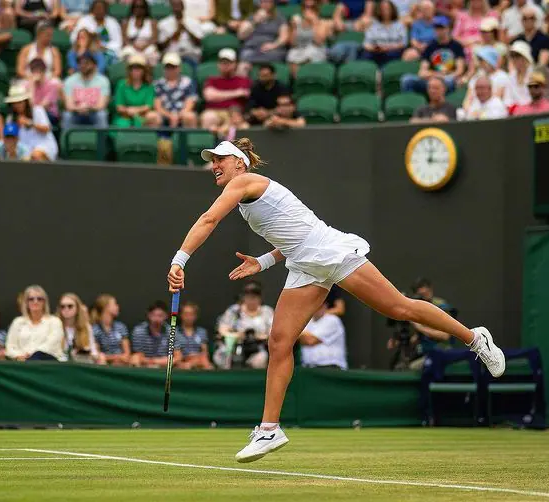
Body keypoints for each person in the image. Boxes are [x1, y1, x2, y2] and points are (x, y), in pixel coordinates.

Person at [166, 137, 505, 463]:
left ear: (238, 162)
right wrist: (264, 261)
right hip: (304, 263)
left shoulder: (244, 183)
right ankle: (269, 429)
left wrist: (180, 259)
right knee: (280, 342)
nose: (213, 165)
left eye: (219, 159)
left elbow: (208, 219)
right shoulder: (245, 196)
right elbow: (292, 234)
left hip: (328, 251)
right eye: (211, 161)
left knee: (399, 307)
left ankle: (474, 338)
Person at [400, 15, 466, 94]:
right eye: (436, 28)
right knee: (407, 80)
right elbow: (422, 72)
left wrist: (445, 77)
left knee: (450, 81)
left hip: (448, 80)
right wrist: (437, 75)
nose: (439, 31)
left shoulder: (456, 46)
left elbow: (459, 70)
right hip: (431, 80)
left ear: (448, 28)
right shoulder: (430, 47)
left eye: (441, 28)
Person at [216, 281, 274, 369]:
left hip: (258, 347)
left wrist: (260, 336)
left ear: (260, 298)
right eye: (249, 297)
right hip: (237, 345)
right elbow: (222, 329)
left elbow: (273, 333)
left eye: (254, 297)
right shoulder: (235, 310)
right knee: (222, 355)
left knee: (261, 359)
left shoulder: (267, 311)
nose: (251, 300)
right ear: (244, 297)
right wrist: (237, 335)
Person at [5, 285, 65, 361]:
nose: (35, 301)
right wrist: (19, 355)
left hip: (47, 363)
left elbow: (51, 345)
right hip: (22, 363)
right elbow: (10, 346)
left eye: (39, 299)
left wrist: (31, 355)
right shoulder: (17, 322)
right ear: (26, 302)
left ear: (44, 302)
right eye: (31, 299)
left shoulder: (55, 321)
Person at [199, 48, 251, 131]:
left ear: (235, 64)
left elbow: (245, 93)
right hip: (214, 112)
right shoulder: (212, 79)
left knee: (244, 126)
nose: (225, 65)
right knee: (208, 117)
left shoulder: (243, 80)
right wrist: (236, 93)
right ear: (218, 64)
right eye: (222, 62)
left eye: (229, 62)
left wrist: (218, 95)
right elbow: (209, 96)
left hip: (235, 114)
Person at [4, 84, 58, 160]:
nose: (17, 105)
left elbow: (46, 129)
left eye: (20, 102)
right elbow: (10, 139)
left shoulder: (38, 110)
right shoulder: (10, 119)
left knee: (35, 156)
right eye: (14, 103)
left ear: (25, 102)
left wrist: (29, 123)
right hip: (23, 149)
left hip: (44, 145)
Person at [237, 0, 289, 75]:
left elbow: (284, 37)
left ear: (273, 3)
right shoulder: (252, 17)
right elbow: (241, 35)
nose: (266, 4)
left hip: (271, 50)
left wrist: (273, 45)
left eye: (268, 2)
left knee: (277, 55)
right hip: (252, 49)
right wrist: (255, 22)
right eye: (263, 1)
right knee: (243, 63)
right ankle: (242, 86)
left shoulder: (279, 18)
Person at [62, 50, 110, 129]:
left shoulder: (103, 81)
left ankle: (102, 141)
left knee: (101, 115)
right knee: (67, 115)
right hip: (76, 113)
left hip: (94, 113)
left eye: (87, 63)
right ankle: (65, 140)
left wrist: (89, 107)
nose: (83, 65)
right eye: (80, 63)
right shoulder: (70, 80)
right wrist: (78, 108)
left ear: (94, 65)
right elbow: (69, 105)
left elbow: (101, 105)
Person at [130, 300, 182, 368]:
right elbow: (139, 356)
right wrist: (153, 362)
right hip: (145, 365)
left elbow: (178, 357)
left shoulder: (172, 331)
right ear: (148, 315)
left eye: (160, 316)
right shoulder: (139, 331)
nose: (156, 319)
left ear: (166, 316)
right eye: (153, 315)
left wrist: (156, 361)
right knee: (135, 358)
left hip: (166, 365)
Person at [152, 52, 198, 128]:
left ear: (179, 68)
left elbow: (190, 103)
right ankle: (157, 139)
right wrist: (170, 116)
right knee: (152, 116)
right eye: (168, 67)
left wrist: (178, 115)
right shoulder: (158, 83)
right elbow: (157, 106)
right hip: (164, 114)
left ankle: (190, 140)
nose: (170, 70)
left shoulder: (188, 82)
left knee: (190, 116)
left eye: (173, 67)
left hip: (182, 113)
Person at [113, 53, 158, 128]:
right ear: (129, 70)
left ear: (144, 70)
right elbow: (119, 107)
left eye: (138, 68)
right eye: (132, 68)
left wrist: (135, 110)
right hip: (124, 117)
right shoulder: (121, 84)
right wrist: (128, 111)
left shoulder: (149, 86)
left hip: (143, 116)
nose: (135, 71)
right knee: (123, 124)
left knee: (152, 117)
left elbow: (148, 106)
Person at [298, 300, 347, 369]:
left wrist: (298, 333)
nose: (317, 308)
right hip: (309, 367)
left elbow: (310, 341)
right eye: (314, 305)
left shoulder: (332, 320)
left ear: (325, 306)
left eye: (320, 305)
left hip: (331, 368)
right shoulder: (307, 320)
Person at [57, 292, 104, 364]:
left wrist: (85, 353)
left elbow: (94, 352)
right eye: (62, 306)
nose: (66, 309)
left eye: (70, 306)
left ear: (77, 308)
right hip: (61, 365)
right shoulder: (56, 326)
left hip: (81, 365)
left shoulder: (86, 327)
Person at [286, 0, 328, 77]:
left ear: (317, 8)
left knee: (309, 53)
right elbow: (292, 44)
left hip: (316, 49)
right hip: (299, 49)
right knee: (291, 54)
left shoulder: (322, 22)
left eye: (312, 7)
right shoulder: (296, 19)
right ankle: (298, 82)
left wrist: (314, 23)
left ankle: (306, 78)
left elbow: (319, 42)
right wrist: (294, 28)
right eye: (306, 7)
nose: (308, 10)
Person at [361, 0, 407, 66]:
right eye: (382, 9)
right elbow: (366, 44)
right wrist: (374, 48)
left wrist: (388, 48)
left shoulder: (399, 25)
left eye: (387, 8)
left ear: (392, 9)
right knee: (366, 55)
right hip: (376, 52)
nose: (385, 11)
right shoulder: (373, 25)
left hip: (393, 51)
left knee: (392, 55)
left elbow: (403, 43)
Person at [90, 294, 131, 366]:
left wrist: (120, 359)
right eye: (115, 304)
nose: (117, 307)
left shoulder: (121, 327)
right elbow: (97, 355)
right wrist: (117, 357)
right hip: (104, 366)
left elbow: (127, 354)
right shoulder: (94, 330)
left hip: (122, 364)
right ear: (106, 307)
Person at [158, 0, 203, 65]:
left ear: (183, 7)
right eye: (175, 6)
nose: (177, 8)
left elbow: (199, 43)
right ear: (171, 7)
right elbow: (161, 46)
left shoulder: (194, 22)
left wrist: (186, 29)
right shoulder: (163, 23)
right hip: (171, 54)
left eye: (179, 5)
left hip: (190, 53)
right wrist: (176, 33)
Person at [175, 301, 214, 370]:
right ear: (180, 315)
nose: (189, 317)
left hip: (199, 362)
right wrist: (188, 359)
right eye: (186, 314)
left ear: (196, 316)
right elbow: (177, 355)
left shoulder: (202, 331)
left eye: (191, 314)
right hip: (182, 363)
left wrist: (193, 361)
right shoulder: (175, 332)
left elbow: (204, 352)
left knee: (206, 363)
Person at [121, 0, 159, 66]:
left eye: (141, 7)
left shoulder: (152, 22)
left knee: (153, 54)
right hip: (132, 46)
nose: (138, 9)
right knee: (126, 53)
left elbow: (155, 39)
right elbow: (125, 38)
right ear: (132, 9)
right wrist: (135, 46)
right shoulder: (126, 22)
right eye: (136, 7)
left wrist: (144, 46)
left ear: (145, 9)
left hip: (148, 47)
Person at [504, 40, 533, 108]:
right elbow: (507, 100)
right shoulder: (510, 76)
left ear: (525, 57)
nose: (514, 59)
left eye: (517, 56)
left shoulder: (534, 74)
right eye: (512, 56)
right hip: (515, 114)